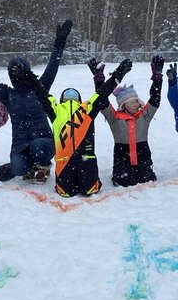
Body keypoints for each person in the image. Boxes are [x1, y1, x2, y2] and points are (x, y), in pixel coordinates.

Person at [0, 20, 72, 181]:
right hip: (20, 144)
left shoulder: (39, 88)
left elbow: (52, 67)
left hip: (43, 139)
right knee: (17, 167)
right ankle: (29, 167)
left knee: (39, 148)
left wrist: (59, 44)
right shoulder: (8, 94)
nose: (16, 76)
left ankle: (43, 166)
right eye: (13, 72)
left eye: (19, 71)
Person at [27, 59, 130, 197]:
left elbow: (103, 92)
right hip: (64, 163)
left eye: (74, 94)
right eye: (67, 94)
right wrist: (31, 79)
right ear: (62, 99)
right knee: (66, 193)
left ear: (79, 99)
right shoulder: (55, 110)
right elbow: (42, 95)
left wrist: (117, 75)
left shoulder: (87, 108)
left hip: (86, 160)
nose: (70, 96)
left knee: (91, 190)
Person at [101, 56, 164, 187]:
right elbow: (102, 102)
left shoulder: (144, 115)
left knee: (146, 180)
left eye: (137, 100)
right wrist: (99, 81)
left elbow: (155, 100)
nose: (136, 104)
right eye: (132, 101)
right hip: (122, 156)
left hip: (142, 154)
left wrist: (157, 79)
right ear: (123, 104)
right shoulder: (115, 118)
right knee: (123, 182)